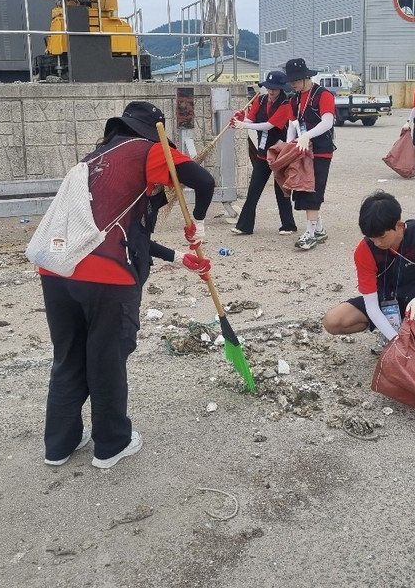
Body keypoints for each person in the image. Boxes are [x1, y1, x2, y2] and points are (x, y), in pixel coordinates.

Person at [38, 101, 215, 468]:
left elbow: (118, 233)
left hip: (56, 273)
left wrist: (179, 257)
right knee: (105, 360)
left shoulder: (95, 159)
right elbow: (204, 181)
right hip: (106, 278)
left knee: (68, 357)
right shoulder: (148, 150)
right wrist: (199, 222)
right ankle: (111, 444)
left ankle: (59, 445)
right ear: (155, 132)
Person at [322, 191, 415, 347]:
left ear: (398, 226)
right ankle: (389, 332)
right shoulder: (365, 250)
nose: (377, 243)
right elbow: (372, 306)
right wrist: (396, 341)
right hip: (384, 299)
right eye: (372, 238)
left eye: (382, 237)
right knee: (332, 321)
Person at [229, 71, 297, 236]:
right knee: (254, 189)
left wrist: (243, 126)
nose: (271, 91)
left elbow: (268, 125)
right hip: (262, 154)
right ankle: (245, 225)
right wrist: (241, 119)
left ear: (281, 89)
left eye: (275, 88)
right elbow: (252, 120)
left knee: (281, 189)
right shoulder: (260, 99)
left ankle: (288, 225)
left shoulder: (285, 105)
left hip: (279, 153)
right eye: (269, 88)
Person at [284, 57, 336, 251]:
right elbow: (292, 124)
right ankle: (319, 228)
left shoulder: (323, 95)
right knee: (302, 188)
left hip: (321, 151)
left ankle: (310, 233)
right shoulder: (294, 99)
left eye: (296, 80)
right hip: (301, 151)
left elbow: (327, 122)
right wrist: (290, 146)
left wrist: (307, 136)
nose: (293, 84)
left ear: (306, 77)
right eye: (291, 81)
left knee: (314, 190)